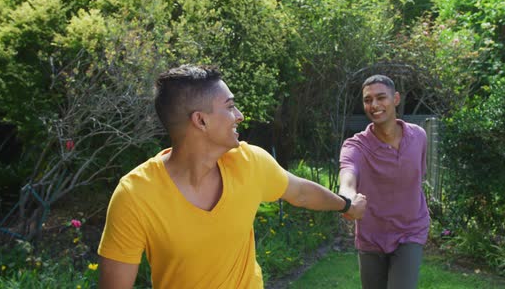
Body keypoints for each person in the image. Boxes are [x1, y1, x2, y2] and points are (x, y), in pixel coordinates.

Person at [97, 64, 367, 289]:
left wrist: (346, 204)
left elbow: (301, 193)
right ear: (200, 121)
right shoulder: (135, 195)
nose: (239, 116)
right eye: (229, 107)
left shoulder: (250, 163)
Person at [339, 75, 430, 289]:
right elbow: (347, 176)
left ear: (396, 99)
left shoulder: (419, 136)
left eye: (381, 97)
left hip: (410, 231)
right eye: (368, 100)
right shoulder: (356, 146)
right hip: (371, 236)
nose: (374, 105)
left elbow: (418, 176)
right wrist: (348, 199)